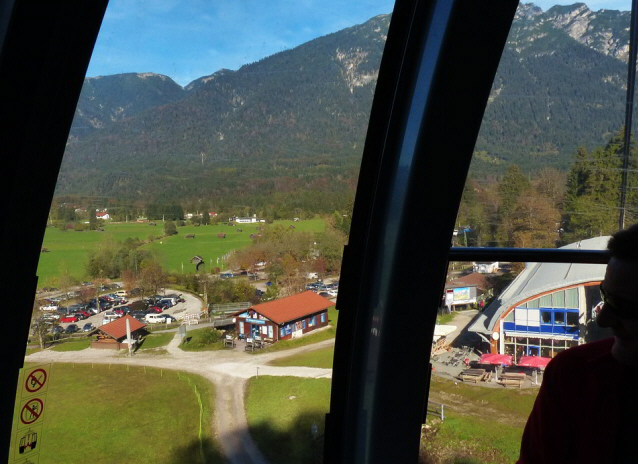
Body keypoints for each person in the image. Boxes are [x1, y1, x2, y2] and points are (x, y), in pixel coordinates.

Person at [518, 224, 638, 463]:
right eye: (605, 296)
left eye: (624, 306)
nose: (603, 320)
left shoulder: (578, 373)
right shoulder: (572, 372)